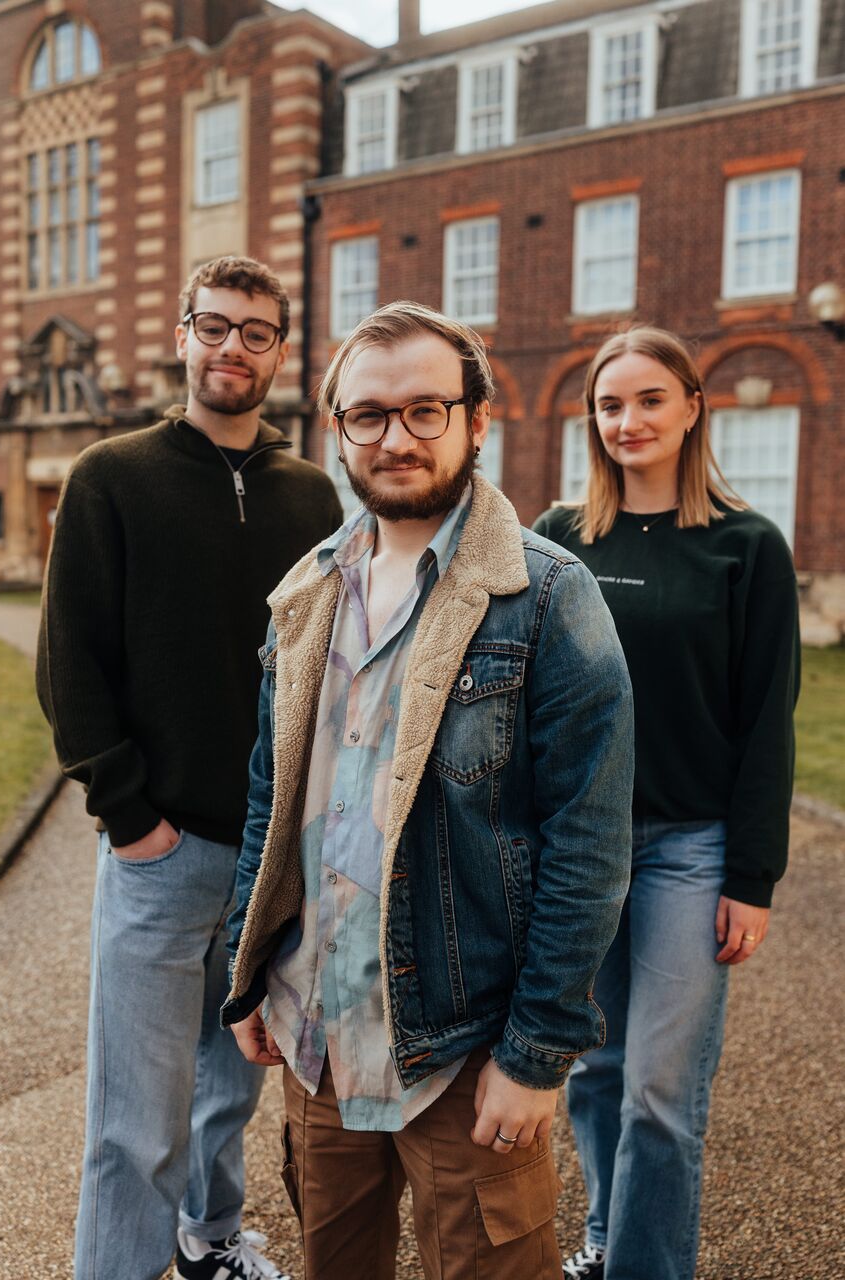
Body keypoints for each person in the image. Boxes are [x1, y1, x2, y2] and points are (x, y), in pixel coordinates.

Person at [221, 300, 635, 1280]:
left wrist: (537, 1051)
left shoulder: (544, 594)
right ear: (338, 430)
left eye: (424, 409)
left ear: (475, 420)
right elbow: (268, 800)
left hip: (463, 1049)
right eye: (369, 414)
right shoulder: (307, 588)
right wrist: (247, 969)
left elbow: (590, 842)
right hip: (318, 1041)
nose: (395, 437)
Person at [36, 255, 343, 1280]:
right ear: (182, 333)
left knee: (230, 1086)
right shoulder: (110, 476)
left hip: (270, 856)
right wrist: (130, 817)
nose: (232, 347)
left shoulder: (311, 496)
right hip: (159, 850)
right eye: (214, 325)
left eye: (256, 332)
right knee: (136, 1113)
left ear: (278, 350)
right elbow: (67, 659)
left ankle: (208, 1240)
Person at [533, 327, 800, 1280]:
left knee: (659, 1087)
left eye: (649, 399)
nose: (627, 420)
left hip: (691, 847)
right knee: (594, 1071)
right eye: (609, 404)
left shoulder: (745, 548)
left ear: (693, 406)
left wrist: (750, 875)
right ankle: (607, 1239)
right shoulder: (560, 539)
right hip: (578, 846)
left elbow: (768, 718)